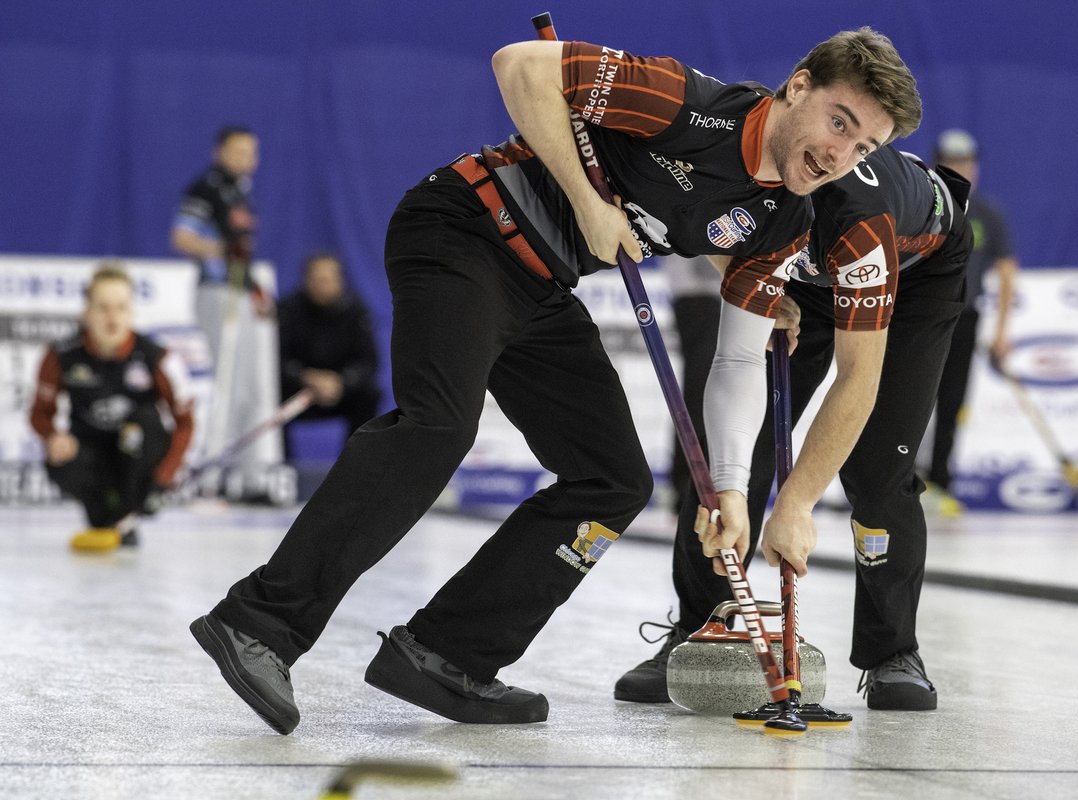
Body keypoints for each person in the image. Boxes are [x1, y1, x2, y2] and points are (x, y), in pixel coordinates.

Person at [189, 28, 920, 735]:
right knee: (439, 426)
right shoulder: (689, 103)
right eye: (839, 122)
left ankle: (446, 654)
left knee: (614, 480)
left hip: (542, 287)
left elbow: (736, 361)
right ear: (799, 87)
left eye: (865, 146)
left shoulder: (782, 220)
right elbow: (520, 66)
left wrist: (729, 487)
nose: (840, 154)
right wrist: (587, 201)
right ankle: (259, 624)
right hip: (466, 229)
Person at [615, 143, 973, 712]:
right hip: (804, 272)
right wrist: (758, 283)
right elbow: (707, 237)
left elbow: (859, 379)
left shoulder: (858, 214)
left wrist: (796, 503)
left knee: (879, 465)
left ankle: (892, 653)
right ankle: (698, 627)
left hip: (911, 277)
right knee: (734, 449)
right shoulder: (736, 160)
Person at [30, 264, 195, 550]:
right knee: (61, 459)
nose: (112, 317)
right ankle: (107, 517)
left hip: (139, 453)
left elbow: (186, 422)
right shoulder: (60, 355)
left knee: (141, 425)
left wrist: (165, 477)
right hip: (90, 452)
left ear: (131, 311)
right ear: (87, 312)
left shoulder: (158, 359)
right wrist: (52, 437)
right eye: (103, 308)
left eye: (121, 307)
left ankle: (130, 508)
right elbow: (39, 414)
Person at [170, 126, 280, 478]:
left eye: (252, 152)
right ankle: (211, 473)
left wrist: (254, 287)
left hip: (239, 290)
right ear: (220, 152)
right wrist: (219, 251)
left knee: (250, 387)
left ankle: (249, 475)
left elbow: (243, 254)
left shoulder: (240, 193)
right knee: (227, 382)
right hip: (217, 292)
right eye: (238, 151)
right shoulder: (206, 189)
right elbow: (182, 237)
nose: (247, 159)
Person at [924, 128, 1019, 514]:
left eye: (965, 162)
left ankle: (940, 480)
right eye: (951, 162)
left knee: (952, 401)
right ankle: (893, 480)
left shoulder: (987, 214)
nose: (960, 169)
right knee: (911, 398)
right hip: (923, 316)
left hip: (966, 317)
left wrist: (1001, 334)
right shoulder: (924, 206)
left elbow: (1008, 272)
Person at [277, 251, 381, 452]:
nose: (321, 286)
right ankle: (280, 470)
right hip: (297, 391)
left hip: (339, 391)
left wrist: (342, 382)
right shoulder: (288, 311)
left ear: (340, 281)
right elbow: (274, 360)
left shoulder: (356, 313)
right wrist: (304, 377)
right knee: (268, 397)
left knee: (370, 395)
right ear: (305, 280)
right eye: (316, 280)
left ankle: (354, 469)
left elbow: (369, 362)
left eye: (327, 280)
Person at [660, 254, 722, 513]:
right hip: (700, 297)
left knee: (702, 393)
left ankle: (689, 484)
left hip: (701, 296)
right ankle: (689, 486)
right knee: (699, 394)